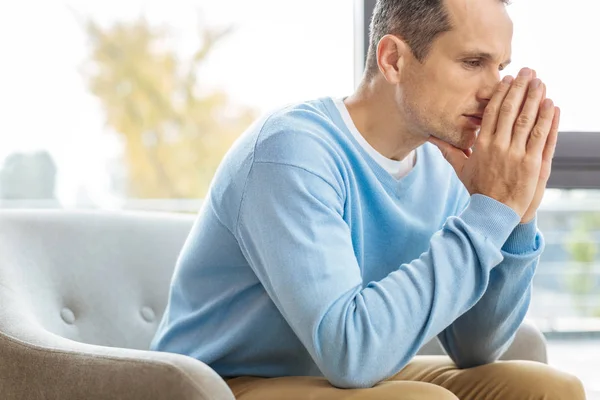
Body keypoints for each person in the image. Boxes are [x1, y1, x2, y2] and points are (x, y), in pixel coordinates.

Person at [151, 0, 586, 398]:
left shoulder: (445, 166)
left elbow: (476, 347)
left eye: (500, 66)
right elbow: (351, 354)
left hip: (345, 375)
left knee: (550, 388)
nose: (494, 89)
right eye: (473, 62)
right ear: (393, 59)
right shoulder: (291, 152)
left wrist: (516, 215)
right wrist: (489, 213)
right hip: (221, 383)